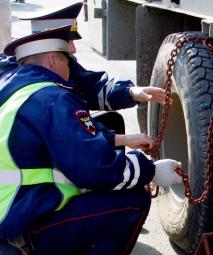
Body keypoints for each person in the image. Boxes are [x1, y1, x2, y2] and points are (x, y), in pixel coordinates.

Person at [0, 25, 182, 255]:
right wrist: (151, 171)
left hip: (12, 214)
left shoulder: (12, 86)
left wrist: (122, 137)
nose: (72, 63)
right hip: (19, 230)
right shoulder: (52, 98)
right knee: (133, 201)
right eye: (68, 58)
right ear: (52, 61)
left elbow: (68, 140)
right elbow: (97, 169)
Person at [0, 2, 167, 132]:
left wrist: (131, 92)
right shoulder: (11, 75)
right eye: (69, 41)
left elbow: (91, 87)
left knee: (109, 122)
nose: (73, 49)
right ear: (50, 53)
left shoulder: (57, 66)